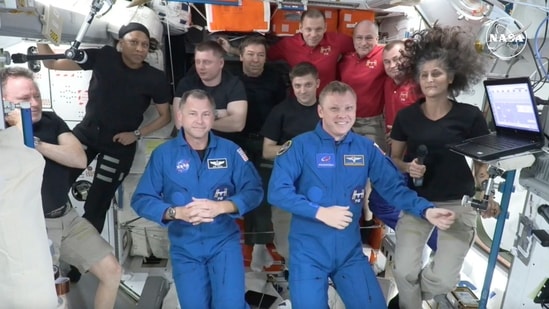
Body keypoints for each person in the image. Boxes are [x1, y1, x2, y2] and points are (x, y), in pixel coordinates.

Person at [268, 81, 456, 308]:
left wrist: (426, 209)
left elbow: (394, 189)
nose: (342, 115)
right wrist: (319, 213)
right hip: (308, 253)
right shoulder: (299, 146)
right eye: (334, 109)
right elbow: (277, 192)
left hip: (349, 253)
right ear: (321, 111)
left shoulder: (365, 148)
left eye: (349, 109)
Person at [388, 25, 501, 309]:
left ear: (451, 77)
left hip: (457, 203)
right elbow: (394, 160)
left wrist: (485, 194)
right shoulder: (406, 117)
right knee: (403, 271)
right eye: (424, 75)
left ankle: (405, 301)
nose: (430, 79)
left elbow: (482, 161)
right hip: (418, 203)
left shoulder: (470, 116)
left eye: (436, 73)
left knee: (443, 280)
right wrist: (408, 167)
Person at [36, 22, 172, 235]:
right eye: (134, 42)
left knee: (97, 206)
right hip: (87, 134)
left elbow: (166, 116)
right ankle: (48, 242)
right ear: (120, 44)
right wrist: (41, 34)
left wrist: (136, 135)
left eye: (145, 45)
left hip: (119, 146)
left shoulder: (154, 78)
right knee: (52, 186)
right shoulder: (105, 57)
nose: (139, 49)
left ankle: (80, 265)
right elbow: (53, 64)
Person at [131, 89, 263, 308]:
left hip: (223, 243)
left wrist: (223, 206)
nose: (200, 121)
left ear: (213, 118)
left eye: (205, 114)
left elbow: (254, 190)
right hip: (185, 247)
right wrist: (176, 212)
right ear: (180, 117)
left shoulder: (231, 151)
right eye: (193, 114)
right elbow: (142, 199)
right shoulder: (164, 155)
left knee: (231, 304)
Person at [3, 67, 122, 309]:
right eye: (24, 100)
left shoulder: (51, 121)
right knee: (52, 294)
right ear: (4, 103)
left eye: (36, 95)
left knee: (112, 271)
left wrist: (35, 142)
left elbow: (78, 158)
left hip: (67, 217)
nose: (34, 103)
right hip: (34, 226)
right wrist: (19, 130)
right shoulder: (4, 137)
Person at [367, 40, 439, 250]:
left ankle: (436, 243)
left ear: (408, 58)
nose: (392, 65)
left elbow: (434, 121)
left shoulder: (420, 86)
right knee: (379, 203)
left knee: (385, 202)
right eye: (387, 62)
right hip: (396, 157)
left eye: (397, 59)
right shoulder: (388, 84)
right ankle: (416, 237)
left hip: (417, 159)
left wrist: (405, 136)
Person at [228, 35, 288, 271]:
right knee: (242, 192)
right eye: (251, 54)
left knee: (262, 194)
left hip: (265, 143)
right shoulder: (230, 78)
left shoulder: (274, 79)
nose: (255, 60)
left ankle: (260, 247)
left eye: (260, 55)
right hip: (236, 143)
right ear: (241, 55)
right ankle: (243, 248)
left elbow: (281, 112)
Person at [261, 61, 321, 263]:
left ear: (317, 84)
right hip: (287, 186)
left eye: (308, 85)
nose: (302, 91)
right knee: (287, 247)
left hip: (321, 188)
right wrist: (297, 152)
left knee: (318, 246)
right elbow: (267, 150)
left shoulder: (328, 110)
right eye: (297, 86)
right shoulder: (281, 111)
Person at [219, 9, 353, 93]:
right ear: (300, 28)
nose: (313, 34)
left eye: (318, 29)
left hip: (327, 100)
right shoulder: (288, 44)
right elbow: (263, 56)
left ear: (325, 28)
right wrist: (232, 50)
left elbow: (362, 47)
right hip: (298, 100)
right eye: (308, 29)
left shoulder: (337, 40)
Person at [173, 40, 247, 134]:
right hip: (191, 144)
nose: (201, 67)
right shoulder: (186, 83)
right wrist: (221, 113)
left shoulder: (234, 84)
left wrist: (195, 118)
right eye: (197, 62)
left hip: (224, 143)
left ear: (221, 63)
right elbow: (179, 123)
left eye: (206, 62)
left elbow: (237, 124)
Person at [338, 20, 387, 151]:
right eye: (359, 38)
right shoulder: (346, 58)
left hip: (372, 123)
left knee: (376, 162)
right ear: (353, 39)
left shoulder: (384, 55)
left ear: (377, 39)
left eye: (369, 38)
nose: (363, 43)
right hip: (345, 120)